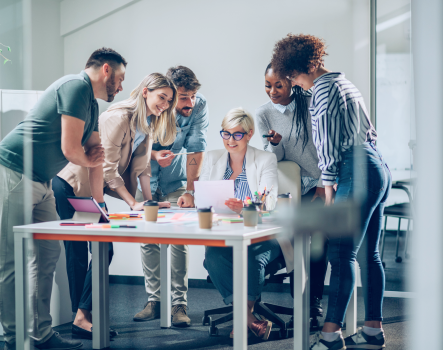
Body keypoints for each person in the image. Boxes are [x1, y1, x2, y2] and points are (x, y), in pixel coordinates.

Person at [0, 47, 127, 350]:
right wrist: (89, 159)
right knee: (10, 261)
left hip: (41, 182)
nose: (121, 86)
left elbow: (95, 157)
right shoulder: (75, 86)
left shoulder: (92, 106)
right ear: (106, 70)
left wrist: (101, 206)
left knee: (47, 257)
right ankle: (13, 341)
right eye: (121, 78)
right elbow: (71, 150)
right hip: (12, 172)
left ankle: (40, 334)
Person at [272, 34, 391, 350]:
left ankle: (329, 337)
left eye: (293, 77)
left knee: (340, 253)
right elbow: (369, 133)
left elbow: (326, 148)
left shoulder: (322, 92)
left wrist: (327, 192)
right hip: (377, 166)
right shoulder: (345, 83)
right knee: (369, 254)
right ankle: (372, 331)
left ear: (299, 69)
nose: (295, 84)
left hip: (357, 171)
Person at [56, 72, 177, 338]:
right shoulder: (118, 117)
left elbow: (142, 167)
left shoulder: (149, 122)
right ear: (145, 91)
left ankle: (81, 318)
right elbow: (106, 166)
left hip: (94, 189)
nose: (165, 104)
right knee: (87, 251)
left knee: (99, 249)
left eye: (169, 100)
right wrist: (133, 202)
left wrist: (148, 201)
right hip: (74, 186)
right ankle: (83, 318)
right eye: (162, 97)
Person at [202, 108, 294, 341]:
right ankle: (248, 319)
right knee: (213, 257)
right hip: (224, 231)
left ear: (250, 134)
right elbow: (203, 193)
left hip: (264, 233)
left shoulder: (265, 159)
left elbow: (270, 198)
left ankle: (243, 319)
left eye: (237, 135)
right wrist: (194, 197)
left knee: (251, 257)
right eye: (226, 134)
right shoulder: (212, 159)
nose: (230, 140)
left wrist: (244, 207)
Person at [133, 66, 208, 327]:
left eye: (193, 96)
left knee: (179, 238)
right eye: (184, 97)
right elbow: (137, 144)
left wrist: (190, 190)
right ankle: (155, 300)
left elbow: (197, 149)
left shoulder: (198, 107)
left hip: (177, 182)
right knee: (148, 238)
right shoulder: (153, 105)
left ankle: (179, 304)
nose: (190, 102)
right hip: (145, 180)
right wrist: (154, 156)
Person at [256, 62, 329, 323]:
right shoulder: (263, 113)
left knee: (318, 244)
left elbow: (324, 144)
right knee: (296, 243)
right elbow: (273, 159)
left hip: (321, 182)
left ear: (291, 83)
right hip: (293, 187)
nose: (272, 91)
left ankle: (314, 301)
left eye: (279, 85)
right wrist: (274, 144)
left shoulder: (310, 103)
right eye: (268, 85)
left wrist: (323, 182)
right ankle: (301, 302)